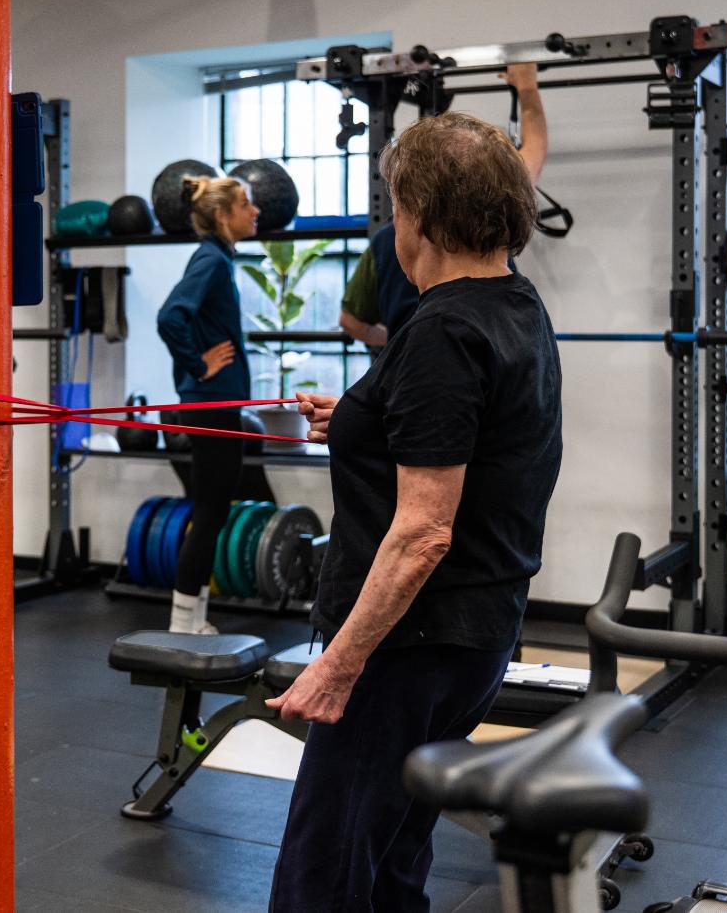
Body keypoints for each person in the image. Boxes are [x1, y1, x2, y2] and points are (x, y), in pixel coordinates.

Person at [266, 111, 563, 911]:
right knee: (394, 850)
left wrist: (338, 662)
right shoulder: (515, 306)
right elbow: (466, 432)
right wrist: (362, 415)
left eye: (397, 206)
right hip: (477, 630)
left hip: (409, 644)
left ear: (421, 217)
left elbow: (425, 529)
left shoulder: (442, 328)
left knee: (323, 872)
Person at [338, 62, 549, 348]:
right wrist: (526, 85)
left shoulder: (439, 328)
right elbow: (534, 150)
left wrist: (399, 345)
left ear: (415, 210)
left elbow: (351, 321)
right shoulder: (523, 298)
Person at [155, 175, 276, 634]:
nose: (256, 210)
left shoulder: (218, 259)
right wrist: (197, 364)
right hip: (209, 403)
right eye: (247, 203)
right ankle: (184, 622)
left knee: (212, 509)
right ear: (223, 215)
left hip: (213, 403)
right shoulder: (210, 258)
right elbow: (171, 316)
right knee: (209, 512)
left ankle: (192, 619)